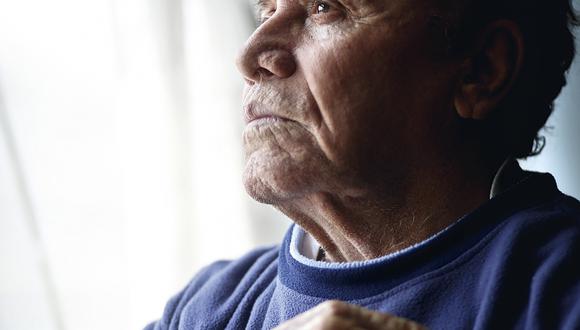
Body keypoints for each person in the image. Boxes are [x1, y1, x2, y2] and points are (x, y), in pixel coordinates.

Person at [146, 0, 580, 328]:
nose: (250, 55)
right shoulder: (205, 306)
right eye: (266, 10)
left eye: (324, 7)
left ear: (482, 70)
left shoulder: (560, 284)